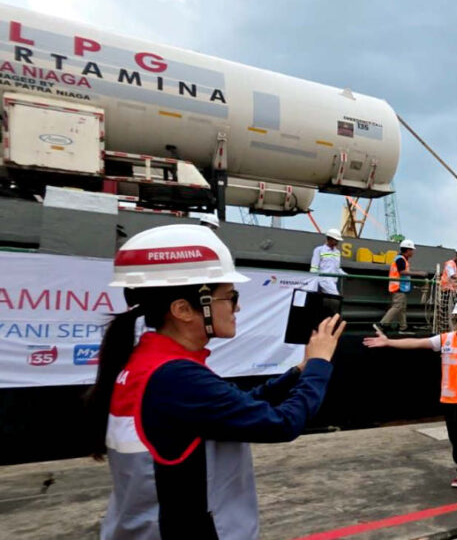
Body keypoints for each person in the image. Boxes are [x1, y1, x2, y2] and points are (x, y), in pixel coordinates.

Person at [87, 224, 343, 540]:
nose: (237, 307)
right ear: (182, 309)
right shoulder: (176, 377)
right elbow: (283, 423)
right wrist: (320, 365)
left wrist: (299, 371)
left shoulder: (154, 363)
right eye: (230, 296)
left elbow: (238, 404)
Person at [364, 299, 457, 488]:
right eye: (456, 320)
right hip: (450, 398)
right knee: (456, 438)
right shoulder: (445, 339)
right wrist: (389, 342)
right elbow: (417, 343)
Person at [380, 239, 423, 333]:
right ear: (408, 250)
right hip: (398, 286)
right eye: (412, 250)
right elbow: (402, 271)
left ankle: (403, 327)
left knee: (402, 308)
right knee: (397, 306)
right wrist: (419, 274)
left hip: (401, 287)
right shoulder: (400, 259)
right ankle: (382, 324)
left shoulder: (402, 259)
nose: (413, 252)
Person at [308, 228, 346, 295]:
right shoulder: (319, 250)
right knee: (335, 296)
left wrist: (346, 275)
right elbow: (314, 267)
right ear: (329, 239)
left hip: (333, 281)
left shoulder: (337, 252)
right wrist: (313, 282)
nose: (337, 242)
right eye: (336, 240)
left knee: (328, 300)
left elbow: (337, 268)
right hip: (324, 280)